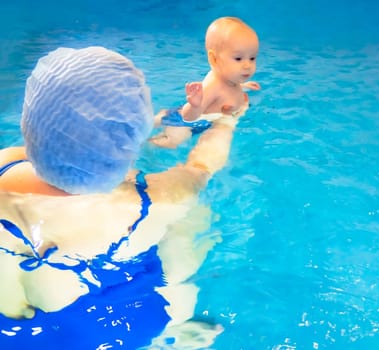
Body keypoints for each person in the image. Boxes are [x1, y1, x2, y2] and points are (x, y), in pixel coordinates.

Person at [0, 46, 244, 348]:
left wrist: (136, 125)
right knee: (191, 220)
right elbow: (203, 166)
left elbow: (63, 138)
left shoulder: (6, 160)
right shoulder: (151, 198)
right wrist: (226, 121)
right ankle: (172, 335)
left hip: (12, 323)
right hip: (99, 327)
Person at [151, 16, 260, 148]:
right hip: (186, 123)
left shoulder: (230, 77)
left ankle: (160, 117)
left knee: (158, 121)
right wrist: (195, 105)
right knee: (171, 142)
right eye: (238, 58)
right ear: (214, 59)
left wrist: (243, 86)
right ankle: (142, 148)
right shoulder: (213, 86)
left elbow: (230, 88)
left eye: (252, 58)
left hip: (203, 119)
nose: (247, 65)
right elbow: (187, 117)